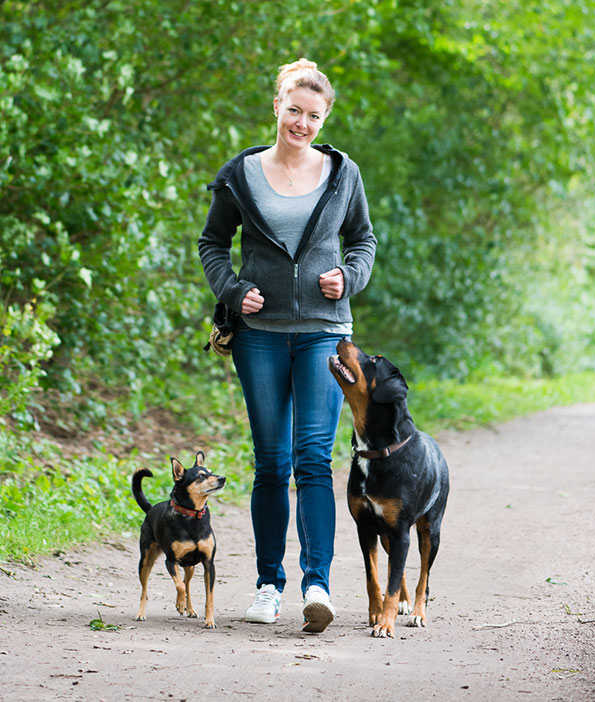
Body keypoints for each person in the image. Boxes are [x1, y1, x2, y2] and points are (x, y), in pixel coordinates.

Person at [198, 58, 376, 633]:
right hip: (261, 338)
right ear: (277, 106)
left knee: (314, 460)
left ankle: (317, 585)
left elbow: (363, 242)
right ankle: (268, 585)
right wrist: (233, 288)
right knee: (272, 463)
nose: (302, 123)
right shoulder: (241, 174)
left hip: (326, 332)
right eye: (294, 110)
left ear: (325, 119)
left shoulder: (343, 173)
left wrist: (347, 277)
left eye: (314, 115)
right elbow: (212, 243)